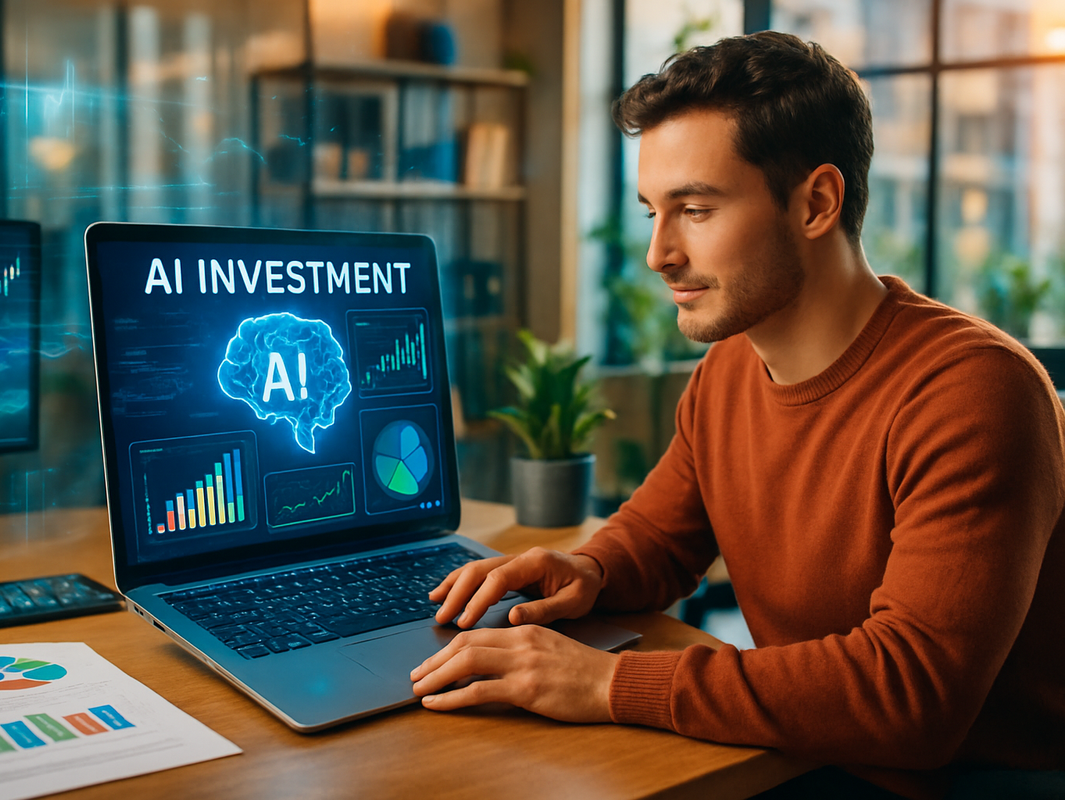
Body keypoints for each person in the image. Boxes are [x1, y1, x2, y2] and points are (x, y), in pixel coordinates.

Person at [408, 31, 1065, 799]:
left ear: (818, 202)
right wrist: (589, 569)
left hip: (967, 781)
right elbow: (659, 537)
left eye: (695, 209)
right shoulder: (728, 369)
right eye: (654, 210)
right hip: (804, 752)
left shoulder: (971, 390)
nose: (657, 253)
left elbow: (910, 697)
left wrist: (607, 685)